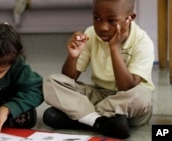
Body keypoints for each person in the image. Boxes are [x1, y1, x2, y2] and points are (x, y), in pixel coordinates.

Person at [42, 0, 154, 139]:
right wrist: (73, 56)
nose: (103, 27)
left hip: (127, 102)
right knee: (51, 81)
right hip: (99, 94)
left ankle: (83, 117)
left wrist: (114, 47)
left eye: (112, 21)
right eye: (97, 18)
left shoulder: (142, 42)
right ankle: (101, 122)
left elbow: (126, 87)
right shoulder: (91, 34)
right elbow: (69, 77)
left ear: (130, 18)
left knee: (142, 96)